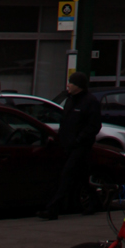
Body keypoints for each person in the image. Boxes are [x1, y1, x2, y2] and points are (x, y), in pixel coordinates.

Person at [38, 72, 102, 219]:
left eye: (71, 83)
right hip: (68, 146)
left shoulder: (90, 102)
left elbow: (94, 126)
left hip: (80, 147)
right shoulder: (70, 101)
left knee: (66, 175)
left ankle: (53, 209)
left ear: (78, 86)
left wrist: (79, 140)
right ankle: (95, 202)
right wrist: (58, 138)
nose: (68, 85)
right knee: (82, 176)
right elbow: (66, 123)